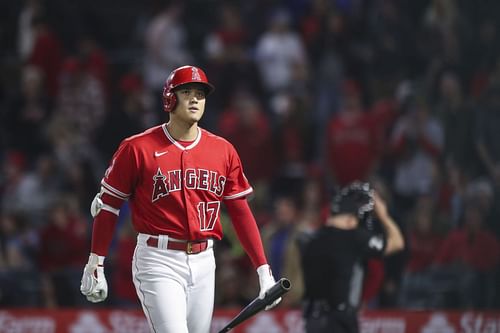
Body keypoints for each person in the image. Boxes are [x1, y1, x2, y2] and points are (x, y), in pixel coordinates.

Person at [79, 65, 280, 333]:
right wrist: (96, 263)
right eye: (187, 92)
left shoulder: (223, 150)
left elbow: (241, 211)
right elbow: (108, 205)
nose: (195, 99)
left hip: (205, 260)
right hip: (157, 259)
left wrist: (264, 272)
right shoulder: (137, 148)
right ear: (169, 98)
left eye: (201, 93)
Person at [300, 181, 404, 333]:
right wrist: (383, 215)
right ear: (350, 220)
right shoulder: (354, 238)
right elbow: (397, 243)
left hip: (312, 320)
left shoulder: (311, 240)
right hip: (340, 321)